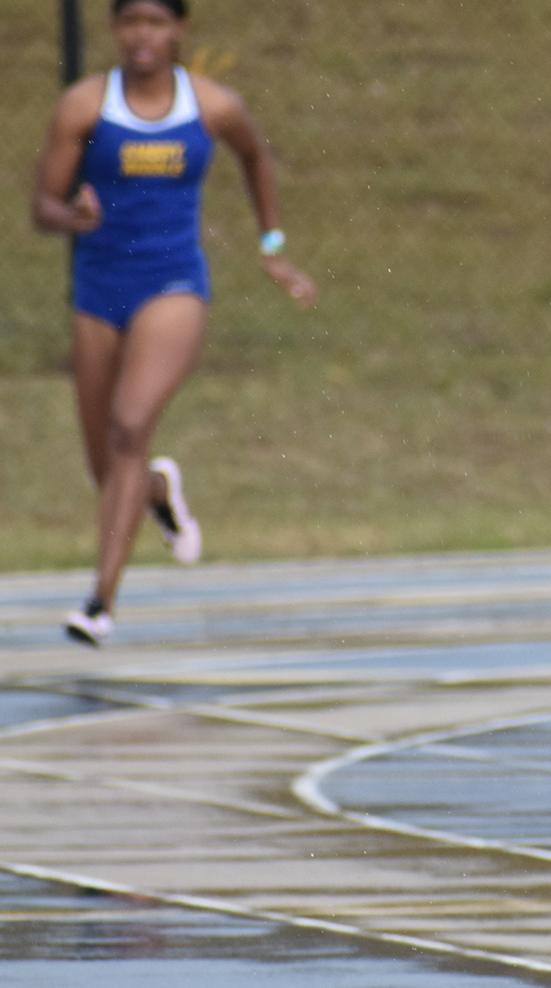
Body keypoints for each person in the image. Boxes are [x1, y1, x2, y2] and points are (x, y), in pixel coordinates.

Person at [32, 0, 316, 647]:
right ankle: (158, 488)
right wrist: (70, 217)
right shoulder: (83, 106)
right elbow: (42, 204)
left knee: (131, 425)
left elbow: (256, 158)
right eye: (130, 21)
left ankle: (100, 602)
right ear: (114, 29)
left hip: (173, 285)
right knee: (107, 464)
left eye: (156, 22)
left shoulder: (212, 105)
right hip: (99, 289)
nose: (142, 36)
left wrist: (273, 247)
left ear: (179, 30)